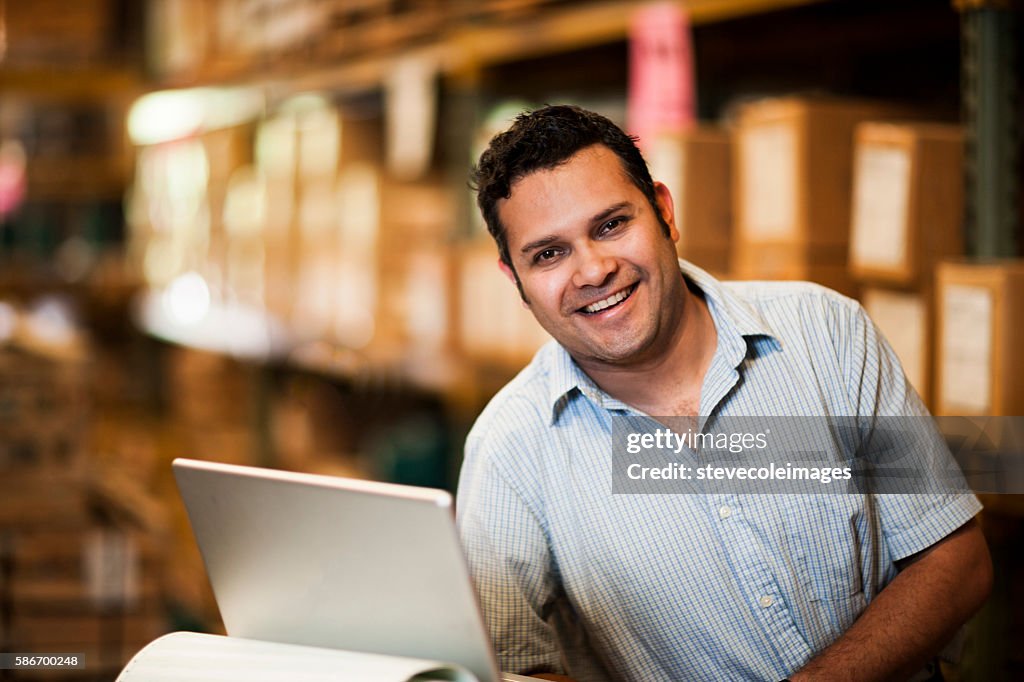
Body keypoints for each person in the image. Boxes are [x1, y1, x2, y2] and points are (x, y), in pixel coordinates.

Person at [455, 105, 992, 682]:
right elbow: (505, 667)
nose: (593, 270)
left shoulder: (825, 333)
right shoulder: (510, 448)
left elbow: (955, 561)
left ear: (664, 211)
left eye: (611, 225)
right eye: (549, 254)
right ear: (514, 278)